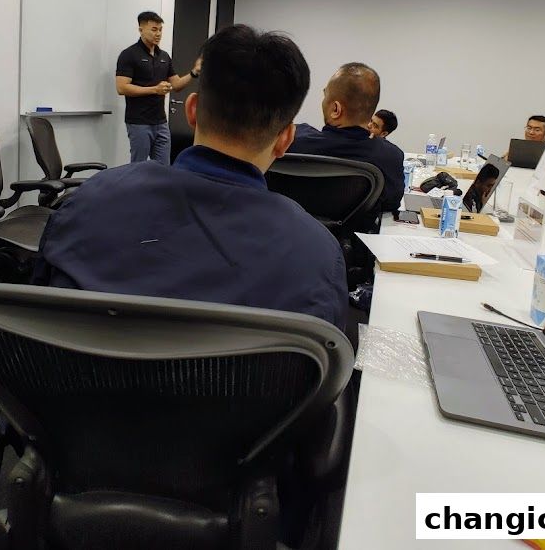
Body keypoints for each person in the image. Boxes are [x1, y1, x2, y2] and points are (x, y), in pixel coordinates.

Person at [36, 24, 347, 328]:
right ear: (285, 140)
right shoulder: (316, 256)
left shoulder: (88, 201)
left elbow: (35, 320)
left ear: (193, 110)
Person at [287, 63, 404, 212]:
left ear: (336, 109)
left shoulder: (290, 139)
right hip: (352, 234)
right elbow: (391, 204)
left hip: (291, 231)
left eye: (325, 95)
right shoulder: (391, 157)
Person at [115, 11, 201, 165]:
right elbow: (122, 88)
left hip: (160, 122)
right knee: (138, 167)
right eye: (154, 29)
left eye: (160, 30)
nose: (158, 34)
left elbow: (176, 85)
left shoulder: (164, 56)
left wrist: (194, 73)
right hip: (139, 123)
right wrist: (154, 90)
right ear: (141, 29)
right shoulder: (129, 55)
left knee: (163, 168)